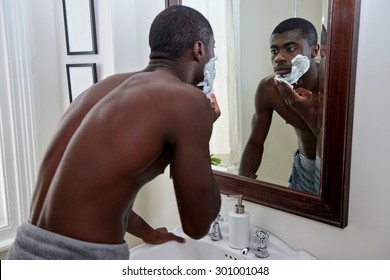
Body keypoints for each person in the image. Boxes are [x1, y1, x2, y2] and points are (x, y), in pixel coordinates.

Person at [7, 5, 221, 260]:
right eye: (213, 49)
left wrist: (146, 232)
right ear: (199, 49)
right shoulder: (187, 101)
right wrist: (205, 129)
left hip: (24, 249)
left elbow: (90, 189)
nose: (212, 58)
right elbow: (198, 226)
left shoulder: (104, 88)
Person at [239, 18, 322, 195]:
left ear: (314, 50)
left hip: (335, 170)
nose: (278, 57)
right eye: (274, 50)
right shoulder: (269, 89)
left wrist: (307, 113)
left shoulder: (333, 85)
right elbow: (255, 143)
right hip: (304, 168)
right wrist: (242, 190)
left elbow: (336, 147)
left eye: (290, 49)